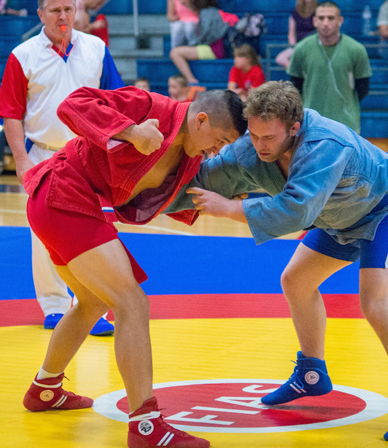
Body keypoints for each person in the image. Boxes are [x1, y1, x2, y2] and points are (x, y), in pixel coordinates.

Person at [165, 80, 388, 442]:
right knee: (295, 281)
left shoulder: (324, 144)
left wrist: (230, 208)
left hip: (386, 210)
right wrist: (139, 197)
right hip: (339, 218)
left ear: (295, 127)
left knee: (377, 306)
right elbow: (201, 180)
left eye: (269, 138)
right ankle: (311, 374)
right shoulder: (251, 146)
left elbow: (296, 210)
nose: (259, 146)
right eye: (254, 135)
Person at [21, 86, 245, 448]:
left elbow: (173, 199)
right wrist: (132, 131)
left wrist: (244, 206)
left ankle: (44, 389)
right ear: (201, 120)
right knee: (132, 303)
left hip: (67, 203)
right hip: (62, 193)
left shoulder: (189, 160)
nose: (216, 151)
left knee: (93, 303)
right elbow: (73, 104)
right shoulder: (151, 107)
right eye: (219, 140)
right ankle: (146, 426)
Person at [0, 0, 123, 332]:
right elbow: (10, 112)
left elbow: (116, 99)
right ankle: (53, 305)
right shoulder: (22, 55)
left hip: (90, 155)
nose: (63, 16)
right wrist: (21, 160)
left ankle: (91, 303)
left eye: (68, 8)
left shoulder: (97, 48)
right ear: (40, 14)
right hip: (43, 155)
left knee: (95, 231)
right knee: (44, 234)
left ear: (77, 10)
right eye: (54, 10)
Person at [288, 1, 372, 134]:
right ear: (315, 21)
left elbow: (363, 88)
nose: (326, 23)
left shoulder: (357, 49)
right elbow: (295, 86)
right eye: (321, 18)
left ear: (340, 21)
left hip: (346, 123)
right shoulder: (301, 49)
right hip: (311, 124)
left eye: (331, 18)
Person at [169, 0, 229, 85]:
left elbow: (207, 34)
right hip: (213, 47)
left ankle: (191, 81)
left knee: (175, 53)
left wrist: (196, 43)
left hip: (214, 49)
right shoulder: (207, 12)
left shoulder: (206, 12)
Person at [274, 0, 317, 69]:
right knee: (280, 58)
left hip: (313, 45)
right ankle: (296, 69)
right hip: (298, 45)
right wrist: (294, 47)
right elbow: (291, 34)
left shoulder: (318, 10)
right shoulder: (295, 11)